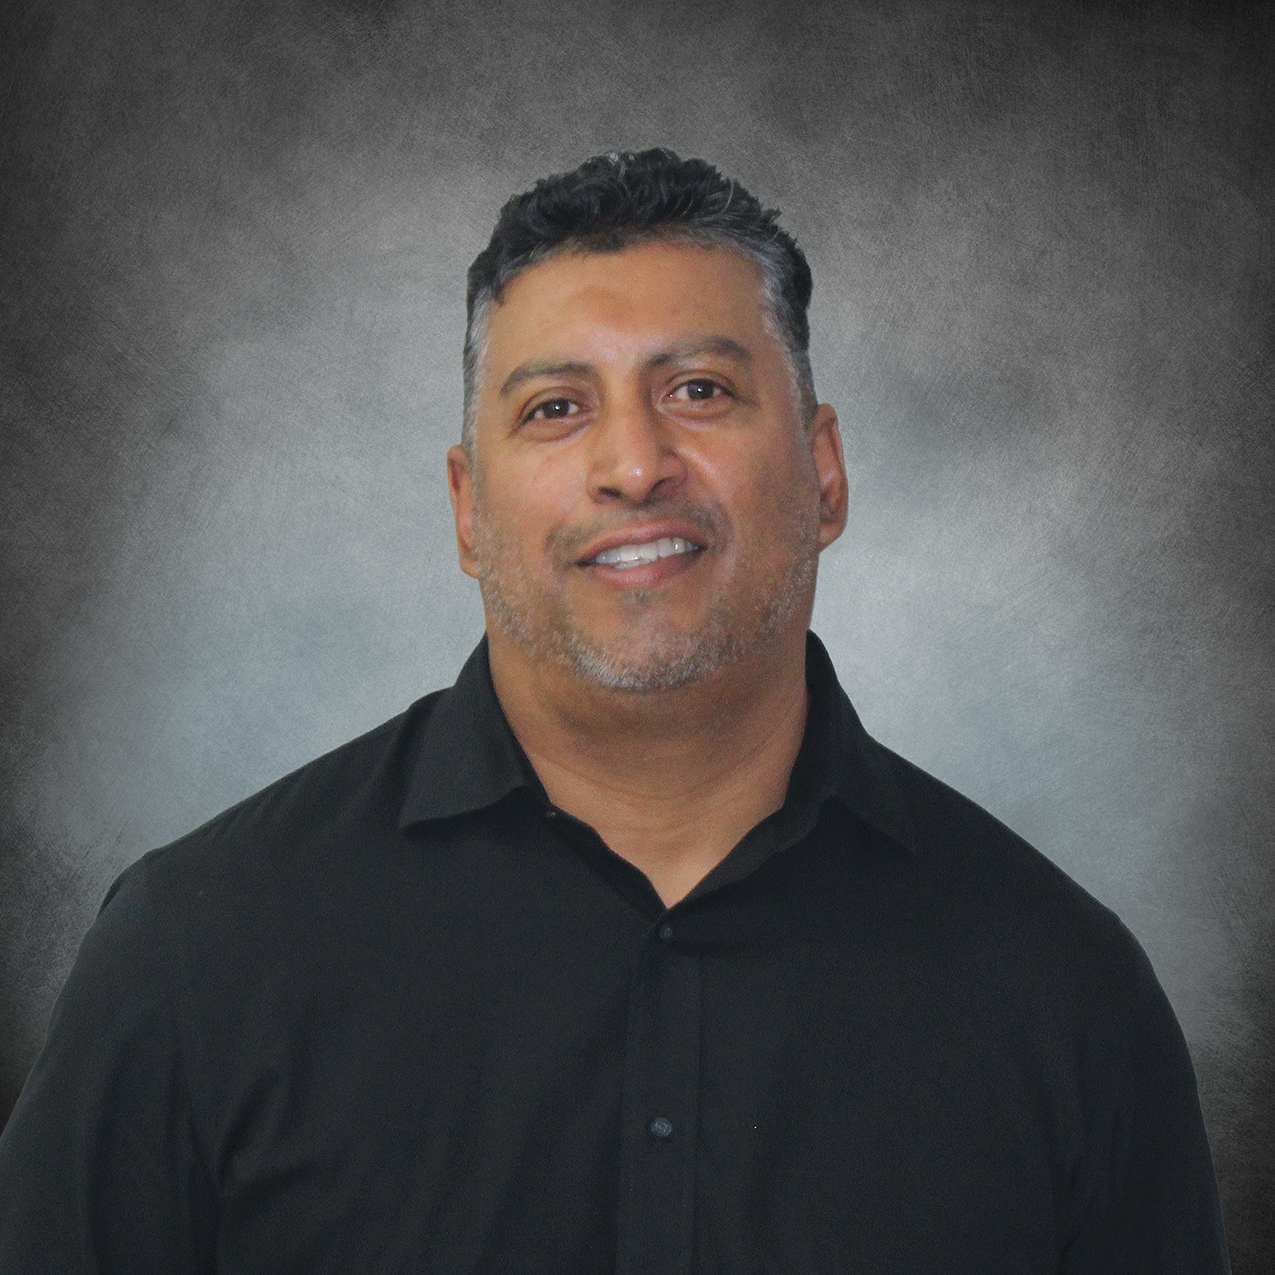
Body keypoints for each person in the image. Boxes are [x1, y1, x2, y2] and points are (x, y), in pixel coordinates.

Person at [0, 149, 1230, 1273]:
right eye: (556, 407)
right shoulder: (195, 956)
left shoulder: (1068, 992)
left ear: (825, 473)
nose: (634, 465)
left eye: (698, 389)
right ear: (468, 510)